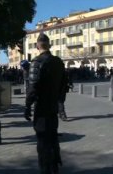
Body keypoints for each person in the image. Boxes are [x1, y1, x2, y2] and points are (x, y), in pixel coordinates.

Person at [24, 33, 65, 174]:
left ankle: (46, 170)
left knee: (43, 142)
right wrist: (59, 103)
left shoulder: (36, 62)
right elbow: (64, 86)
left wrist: (27, 106)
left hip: (41, 108)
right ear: (49, 45)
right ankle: (54, 167)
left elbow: (32, 88)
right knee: (53, 137)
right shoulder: (58, 62)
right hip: (53, 107)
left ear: (37, 46)